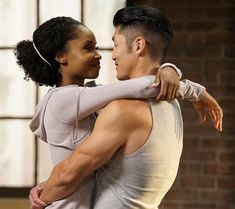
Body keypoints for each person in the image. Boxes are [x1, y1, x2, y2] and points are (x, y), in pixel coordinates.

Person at [28, 6, 223, 209]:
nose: (109, 55)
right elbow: (73, 173)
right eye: (88, 48)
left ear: (139, 45)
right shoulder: (171, 104)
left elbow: (68, 175)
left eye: (115, 44)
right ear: (61, 56)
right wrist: (183, 81)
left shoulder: (122, 110)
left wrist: (44, 196)